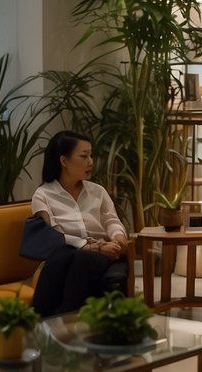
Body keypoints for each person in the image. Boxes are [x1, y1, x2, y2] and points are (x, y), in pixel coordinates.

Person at [29, 130, 129, 316]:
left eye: (91, 155)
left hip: (103, 253)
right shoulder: (43, 195)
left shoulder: (97, 191)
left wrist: (118, 239)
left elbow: (111, 220)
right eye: (84, 156)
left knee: (81, 258)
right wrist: (93, 247)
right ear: (64, 161)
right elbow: (53, 235)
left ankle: (56, 323)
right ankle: (54, 322)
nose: (91, 162)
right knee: (67, 257)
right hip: (68, 254)